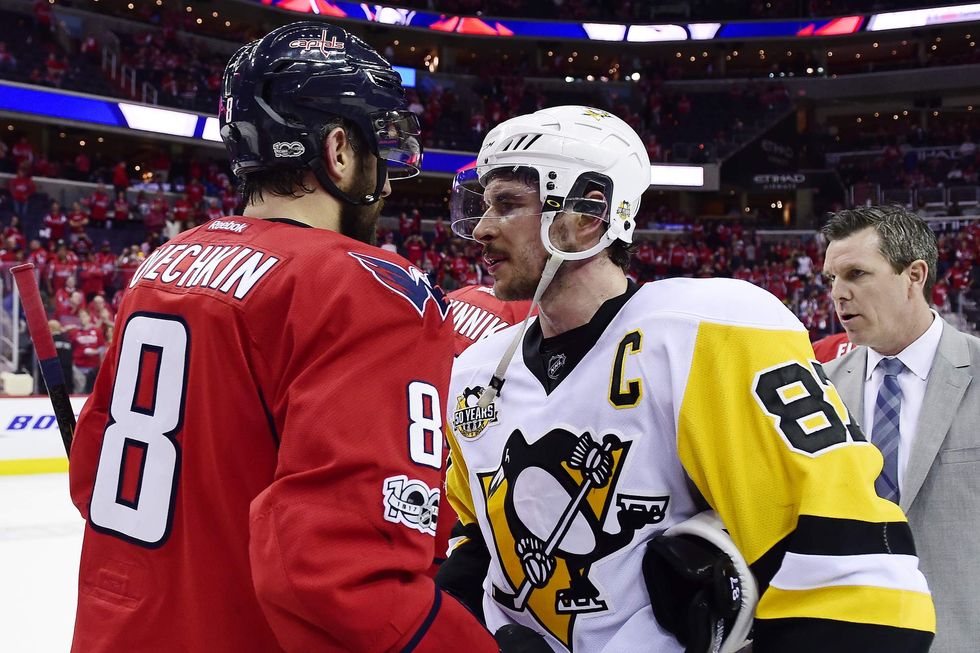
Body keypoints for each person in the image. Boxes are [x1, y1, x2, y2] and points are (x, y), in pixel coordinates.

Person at [68, 22, 534, 653]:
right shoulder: (363, 285)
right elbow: (343, 575)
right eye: (382, 149)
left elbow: (92, 474)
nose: (390, 180)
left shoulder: (165, 263)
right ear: (339, 149)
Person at [437, 106, 935, 653]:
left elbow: (849, 581)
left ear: (587, 213)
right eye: (483, 206)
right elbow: (480, 542)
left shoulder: (709, 331)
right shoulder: (477, 372)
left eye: (507, 204)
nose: (481, 229)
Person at [821, 205, 980, 653]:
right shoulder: (820, 390)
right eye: (831, 279)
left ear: (914, 274)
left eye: (856, 274)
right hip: (850, 636)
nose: (838, 294)